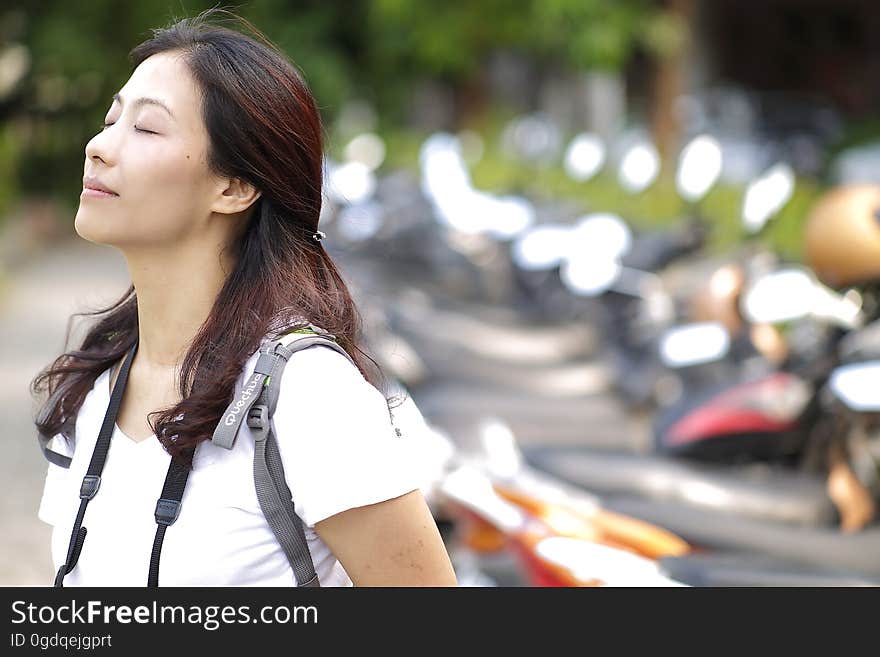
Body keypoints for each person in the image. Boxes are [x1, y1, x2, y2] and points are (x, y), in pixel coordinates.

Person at [31, 8, 458, 587]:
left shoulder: (307, 396)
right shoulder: (96, 384)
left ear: (234, 187)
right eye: (110, 120)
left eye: (147, 128)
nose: (99, 147)